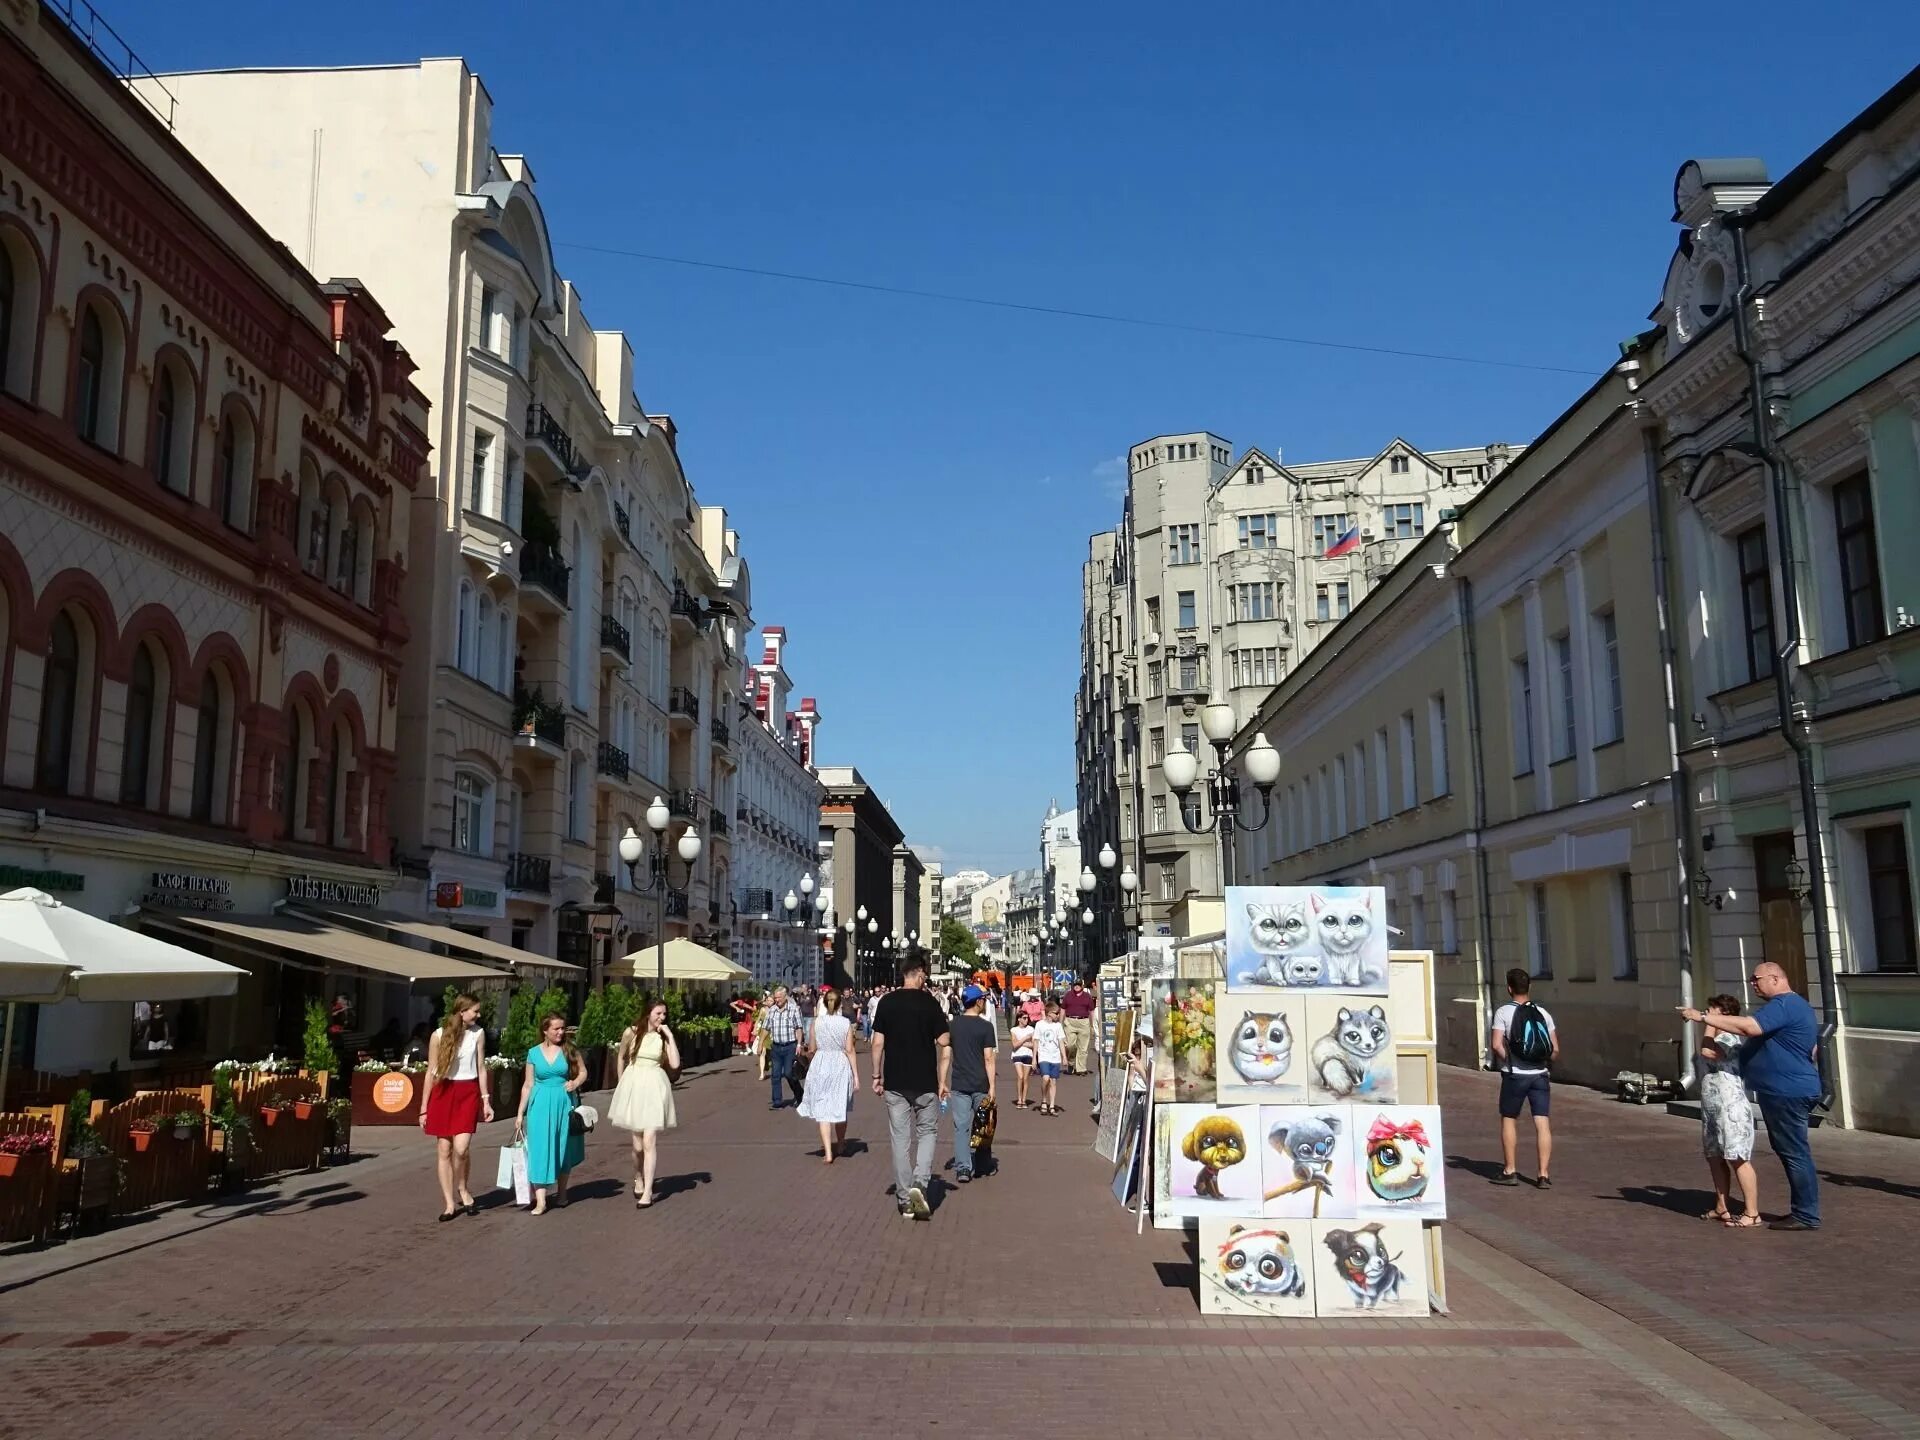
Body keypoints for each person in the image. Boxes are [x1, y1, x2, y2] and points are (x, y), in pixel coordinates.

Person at [1683, 961, 1821, 1230]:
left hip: (1787, 1091)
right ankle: (1802, 1211)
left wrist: (1703, 1017)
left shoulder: (1785, 1005)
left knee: (1794, 1152)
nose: (1752, 983)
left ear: (1775, 978)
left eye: (1756, 978)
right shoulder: (1788, 1007)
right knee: (1789, 1151)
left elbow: (1749, 1028)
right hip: (1784, 1089)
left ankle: (1806, 1214)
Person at [870, 958, 951, 1220]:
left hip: (895, 1081)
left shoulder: (886, 1002)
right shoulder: (929, 1003)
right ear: (918, 976)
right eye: (924, 976)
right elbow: (943, 1040)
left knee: (900, 1140)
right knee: (927, 1132)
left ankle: (905, 1199)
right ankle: (921, 1182)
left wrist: (876, 1075)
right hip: (925, 1081)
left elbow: (877, 1043)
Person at [419, 993, 493, 1222]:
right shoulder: (438, 1036)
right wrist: (423, 1108)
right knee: (444, 1149)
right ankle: (450, 1203)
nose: (478, 1015)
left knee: (461, 1148)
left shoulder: (478, 1034)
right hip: (443, 1092)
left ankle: (463, 1187)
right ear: (462, 1012)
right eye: (475, 1011)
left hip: (467, 1092)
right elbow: (431, 1072)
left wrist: (486, 1099)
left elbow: (481, 1067)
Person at [1693, 993, 1760, 1227]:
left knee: (1738, 1157)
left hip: (1731, 1106)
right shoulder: (1715, 1034)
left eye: (1714, 1010)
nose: (1708, 1013)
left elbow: (1710, 1053)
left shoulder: (1731, 1037)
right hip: (1712, 1107)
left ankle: (1752, 1211)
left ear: (1726, 1015)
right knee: (1714, 1156)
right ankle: (1721, 1206)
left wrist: (1709, 1025)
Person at [1489, 967, 1557, 1187]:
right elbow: (1555, 1050)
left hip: (1515, 1075)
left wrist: (1509, 1059)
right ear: (1529, 987)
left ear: (1509, 988)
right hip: (1540, 1075)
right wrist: (1541, 1062)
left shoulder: (1503, 1012)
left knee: (1509, 1119)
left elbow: (1496, 1044)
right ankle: (1543, 1174)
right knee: (1542, 1122)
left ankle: (1510, 1170)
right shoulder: (1543, 1013)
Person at [609, 998, 679, 1208]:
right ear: (648, 1012)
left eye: (664, 1014)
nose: (661, 1018)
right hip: (635, 1084)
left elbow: (674, 1063)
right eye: (658, 1013)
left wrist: (670, 1036)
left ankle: (647, 1192)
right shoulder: (632, 1032)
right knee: (637, 1146)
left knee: (649, 1141)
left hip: (655, 1086)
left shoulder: (663, 1037)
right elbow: (621, 1056)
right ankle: (638, 1175)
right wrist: (622, 1083)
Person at [515, 1011, 586, 1215]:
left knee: (562, 1147)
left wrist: (575, 1082)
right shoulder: (533, 1053)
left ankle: (562, 1193)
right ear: (545, 1030)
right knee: (539, 1149)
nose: (560, 1032)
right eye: (556, 1028)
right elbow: (528, 1084)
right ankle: (541, 1200)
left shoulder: (569, 1050)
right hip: (539, 1103)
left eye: (562, 1028)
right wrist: (520, 1113)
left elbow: (583, 1071)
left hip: (563, 1101)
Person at [797, 988, 858, 1162]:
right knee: (840, 1105)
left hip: (821, 1064)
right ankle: (840, 1143)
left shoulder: (817, 1022)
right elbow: (849, 1050)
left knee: (823, 1108)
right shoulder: (845, 1023)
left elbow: (812, 1048)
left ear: (824, 1003)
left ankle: (828, 1153)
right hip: (839, 1064)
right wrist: (856, 1076)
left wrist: (807, 1055)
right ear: (840, 1004)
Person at [947, 986, 997, 1182]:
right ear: (978, 1002)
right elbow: (989, 1059)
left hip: (959, 1083)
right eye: (983, 999)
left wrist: (942, 1080)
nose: (984, 1002)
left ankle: (963, 1168)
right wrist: (992, 1086)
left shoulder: (953, 1025)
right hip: (980, 1083)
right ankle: (983, 1163)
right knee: (984, 1125)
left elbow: (945, 1055)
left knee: (962, 1127)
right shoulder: (985, 1027)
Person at [761, 985, 803, 1110]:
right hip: (776, 1047)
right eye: (775, 997)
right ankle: (777, 1101)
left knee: (789, 1073)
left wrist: (799, 1044)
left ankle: (799, 1094)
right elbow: (765, 1028)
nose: (776, 1000)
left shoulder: (793, 1009)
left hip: (790, 1046)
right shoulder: (772, 1010)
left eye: (779, 997)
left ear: (785, 997)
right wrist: (760, 1043)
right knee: (775, 1074)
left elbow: (799, 1028)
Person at [1033, 1001, 1067, 1116]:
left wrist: (1064, 1057)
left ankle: (1051, 1105)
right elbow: (1036, 1041)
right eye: (1056, 1013)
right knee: (1046, 1078)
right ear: (1049, 1013)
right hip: (1044, 1055)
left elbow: (1061, 1041)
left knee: (1053, 1081)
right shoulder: (1039, 1025)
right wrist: (1034, 1058)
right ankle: (1043, 1099)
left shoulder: (1058, 1026)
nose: (1058, 1015)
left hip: (1055, 1056)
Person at [1060, 978, 1097, 1075]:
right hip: (1070, 1021)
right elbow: (1063, 1009)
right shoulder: (1068, 995)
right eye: (1075, 984)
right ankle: (1071, 1064)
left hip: (1083, 1021)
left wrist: (1092, 1025)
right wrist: (1060, 1023)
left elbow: (1092, 1011)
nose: (1077, 986)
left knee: (1083, 1048)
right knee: (1070, 1045)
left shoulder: (1087, 996)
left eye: (1079, 985)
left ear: (1082, 986)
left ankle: (1081, 1069)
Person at [1009, 1009, 1037, 1109]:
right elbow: (1014, 1045)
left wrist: (1021, 1043)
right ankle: (1019, 1098)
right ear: (1019, 1019)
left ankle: (1024, 1100)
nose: (1026, 1020)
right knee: (1020, 1076)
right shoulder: (1014, 1030)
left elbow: (1034, 1045)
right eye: (1024, 1018)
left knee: (1026, 1078)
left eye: (1027, 1018)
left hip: (1028, 1055)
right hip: (1017, 1055)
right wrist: (1025, 1039)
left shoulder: (1031, 1029)